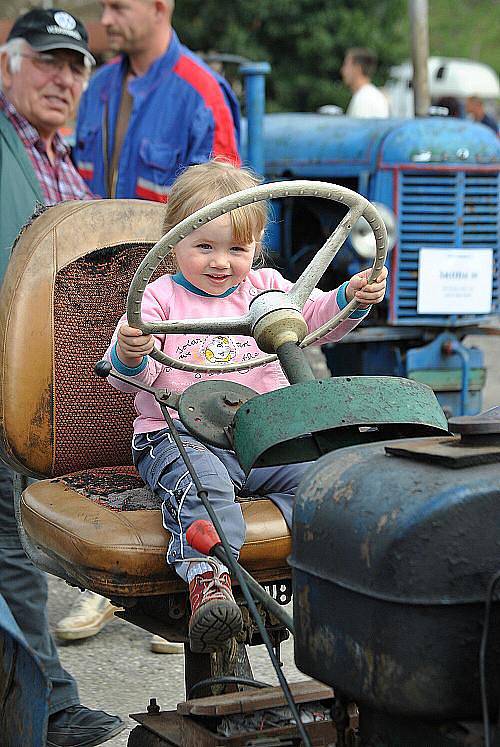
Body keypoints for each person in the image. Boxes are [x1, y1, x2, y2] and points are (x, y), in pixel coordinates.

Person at [103, 159, 388, 654]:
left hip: (261, 436)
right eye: (205, 246)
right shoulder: (158, 300)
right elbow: (134, 376)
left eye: (237, 248)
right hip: (178, 435)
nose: (221, 262)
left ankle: (319, 573)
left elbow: (316, 318)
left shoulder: (268, 290)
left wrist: (351, 296)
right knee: (206, 487)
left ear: (255, 248)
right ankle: (209, 581)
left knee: (326, 481)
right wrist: (130, 353)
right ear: (173, 244)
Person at [64, 0, 241, 655]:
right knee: (104, 415)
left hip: (179, 294)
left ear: (160, 6)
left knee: (179, 422)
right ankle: (114, 582)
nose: (106, 16)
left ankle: (193, 575)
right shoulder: (102, 87)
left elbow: (226, 206)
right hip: (93, 291)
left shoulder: (199, 92)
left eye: (119, 4)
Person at [0, 9, 126, 745]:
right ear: (7, 64)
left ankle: (49, 701)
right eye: (48, 60)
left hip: (51, 399)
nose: (65, 78)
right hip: (11, 390)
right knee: (12, 550)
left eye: (77, 66)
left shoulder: (61, 160)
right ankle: (46, 709)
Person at [73, 0, 240, 201]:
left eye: (118, 8)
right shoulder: (97, 86)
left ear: (158, 10)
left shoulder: (204, 96)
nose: (105, 20)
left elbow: (218, 212)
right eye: (104, 8)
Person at [341, 47, 389, 118]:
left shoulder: (364, 99)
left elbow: (360, 128)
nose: (342, 70)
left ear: (357, 69)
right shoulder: (370, 95)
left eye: (346, 65)